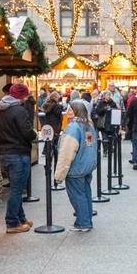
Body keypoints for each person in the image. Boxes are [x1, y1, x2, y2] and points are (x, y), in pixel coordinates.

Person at [0, 83, 37, 233]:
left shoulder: (0, 110)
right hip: (18, 152)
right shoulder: (19, 110)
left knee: (16, 187)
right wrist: (34, 134)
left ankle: (21, 217)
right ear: (21, 96)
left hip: (4, 152)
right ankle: (12, 222)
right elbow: (26, 131)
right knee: (17, 189)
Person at [55, 99, 100, 232]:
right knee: (85, 193)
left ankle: (83, 222)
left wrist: (59, 175)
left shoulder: (72, 128)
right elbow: (89, 145)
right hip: (86, 167)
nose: (67, 111)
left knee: (77, 196)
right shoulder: (88, 126)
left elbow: (66, 153)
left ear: (77, 111)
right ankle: (86, 220)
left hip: (76, 168)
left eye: (70, 109)